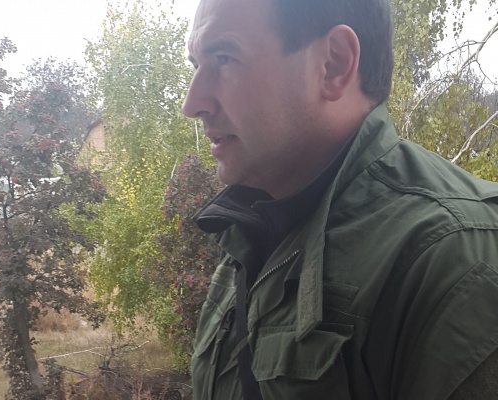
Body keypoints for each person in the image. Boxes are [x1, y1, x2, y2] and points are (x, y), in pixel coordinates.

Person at [181, 0, 498, 399]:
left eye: (224, 59)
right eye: (196, 66)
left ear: (333, 64)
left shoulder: (451, 260)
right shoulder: (249, 237)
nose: (193, 103)